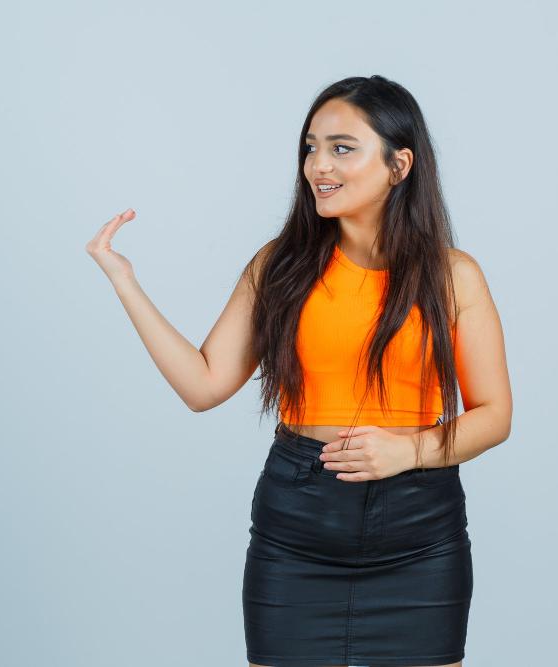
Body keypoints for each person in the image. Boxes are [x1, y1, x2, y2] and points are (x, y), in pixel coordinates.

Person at [85, 74, 512, 667]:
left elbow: (495, 416)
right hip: (298, 531)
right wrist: (123, 279)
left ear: (399, 164)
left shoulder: (454, 275)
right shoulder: (280, 264)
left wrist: (408, 451)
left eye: (342, 147)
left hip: (420, 533)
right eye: (311, 147)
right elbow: (203, 385)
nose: (318, 165)